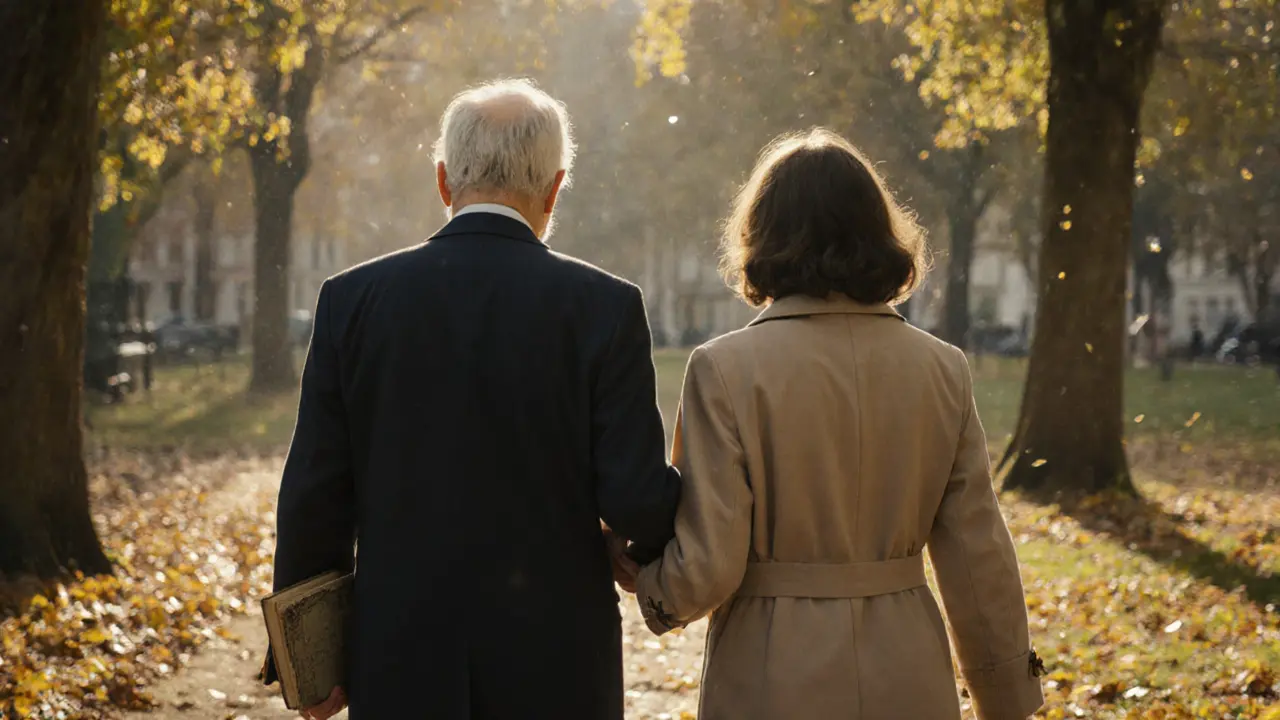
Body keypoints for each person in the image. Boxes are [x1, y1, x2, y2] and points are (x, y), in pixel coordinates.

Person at [263, 78, 681, 720]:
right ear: (554, 187)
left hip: (401, 651)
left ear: (443, 181)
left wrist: (307, 659)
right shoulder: (605, 307)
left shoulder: (352, 301)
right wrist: (652, 543)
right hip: (555, 658)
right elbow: (634, 495)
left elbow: (315, 492)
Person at [625, 129, 1044, 719]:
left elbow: (713, 560)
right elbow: (978, 555)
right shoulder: (942, 368)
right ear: (879, 233)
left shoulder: (724, 369)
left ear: (761, 234)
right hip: (907, 667)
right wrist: (1007, 697)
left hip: (771, 667)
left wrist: (652, 586)